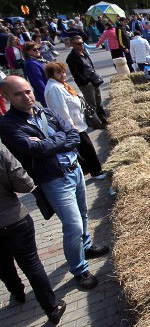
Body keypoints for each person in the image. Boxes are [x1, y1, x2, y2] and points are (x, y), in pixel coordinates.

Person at [0, 76, 108, 290]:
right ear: (6, 97)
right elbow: (36, 150)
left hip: (74, 169)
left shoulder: (44, 111)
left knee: (83, 214)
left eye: (28, 91)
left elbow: (74, 135)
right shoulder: (8, 124)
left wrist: (50, 142)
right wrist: (58, 139)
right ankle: (79, 269)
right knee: (73, 225)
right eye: (18, 94)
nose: (26, 97)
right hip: (53, 178)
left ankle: (85, 247)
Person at [0, 145, 66, 324]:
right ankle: (52, 308)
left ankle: (17, 293)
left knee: (3, 264)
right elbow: (25, 184)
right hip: (12, 218)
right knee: (31, 264)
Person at [44, 62, 106, 178]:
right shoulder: (54, 88)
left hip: (76, 122)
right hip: (72, 125)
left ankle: (86, 168)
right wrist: (71, 125)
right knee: (87, 147)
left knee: (81, 148)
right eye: (59, 72)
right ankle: (96, 171)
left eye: (63, 72)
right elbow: (60, 109)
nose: (63, 74)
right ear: (51, 74)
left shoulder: (60, 85)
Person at [66, 36, 108, 125]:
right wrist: (85, 82)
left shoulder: (84, 53)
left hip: (93, 80)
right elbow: (76, 73)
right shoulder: (71, 58)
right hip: (86, 83)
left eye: (82, 43)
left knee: (98, 101)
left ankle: (103, 118)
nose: (81, 45)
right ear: (72, 45)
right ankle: (96, 123)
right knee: (91, 104)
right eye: (78, 44)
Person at [22, 42, 48, 107]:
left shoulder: (36, 61)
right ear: (27, 51)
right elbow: (38, 81)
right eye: (34, 50)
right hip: (45, 94)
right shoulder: (31, 64)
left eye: (38, 49)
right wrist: (48, 94)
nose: (37, 51)